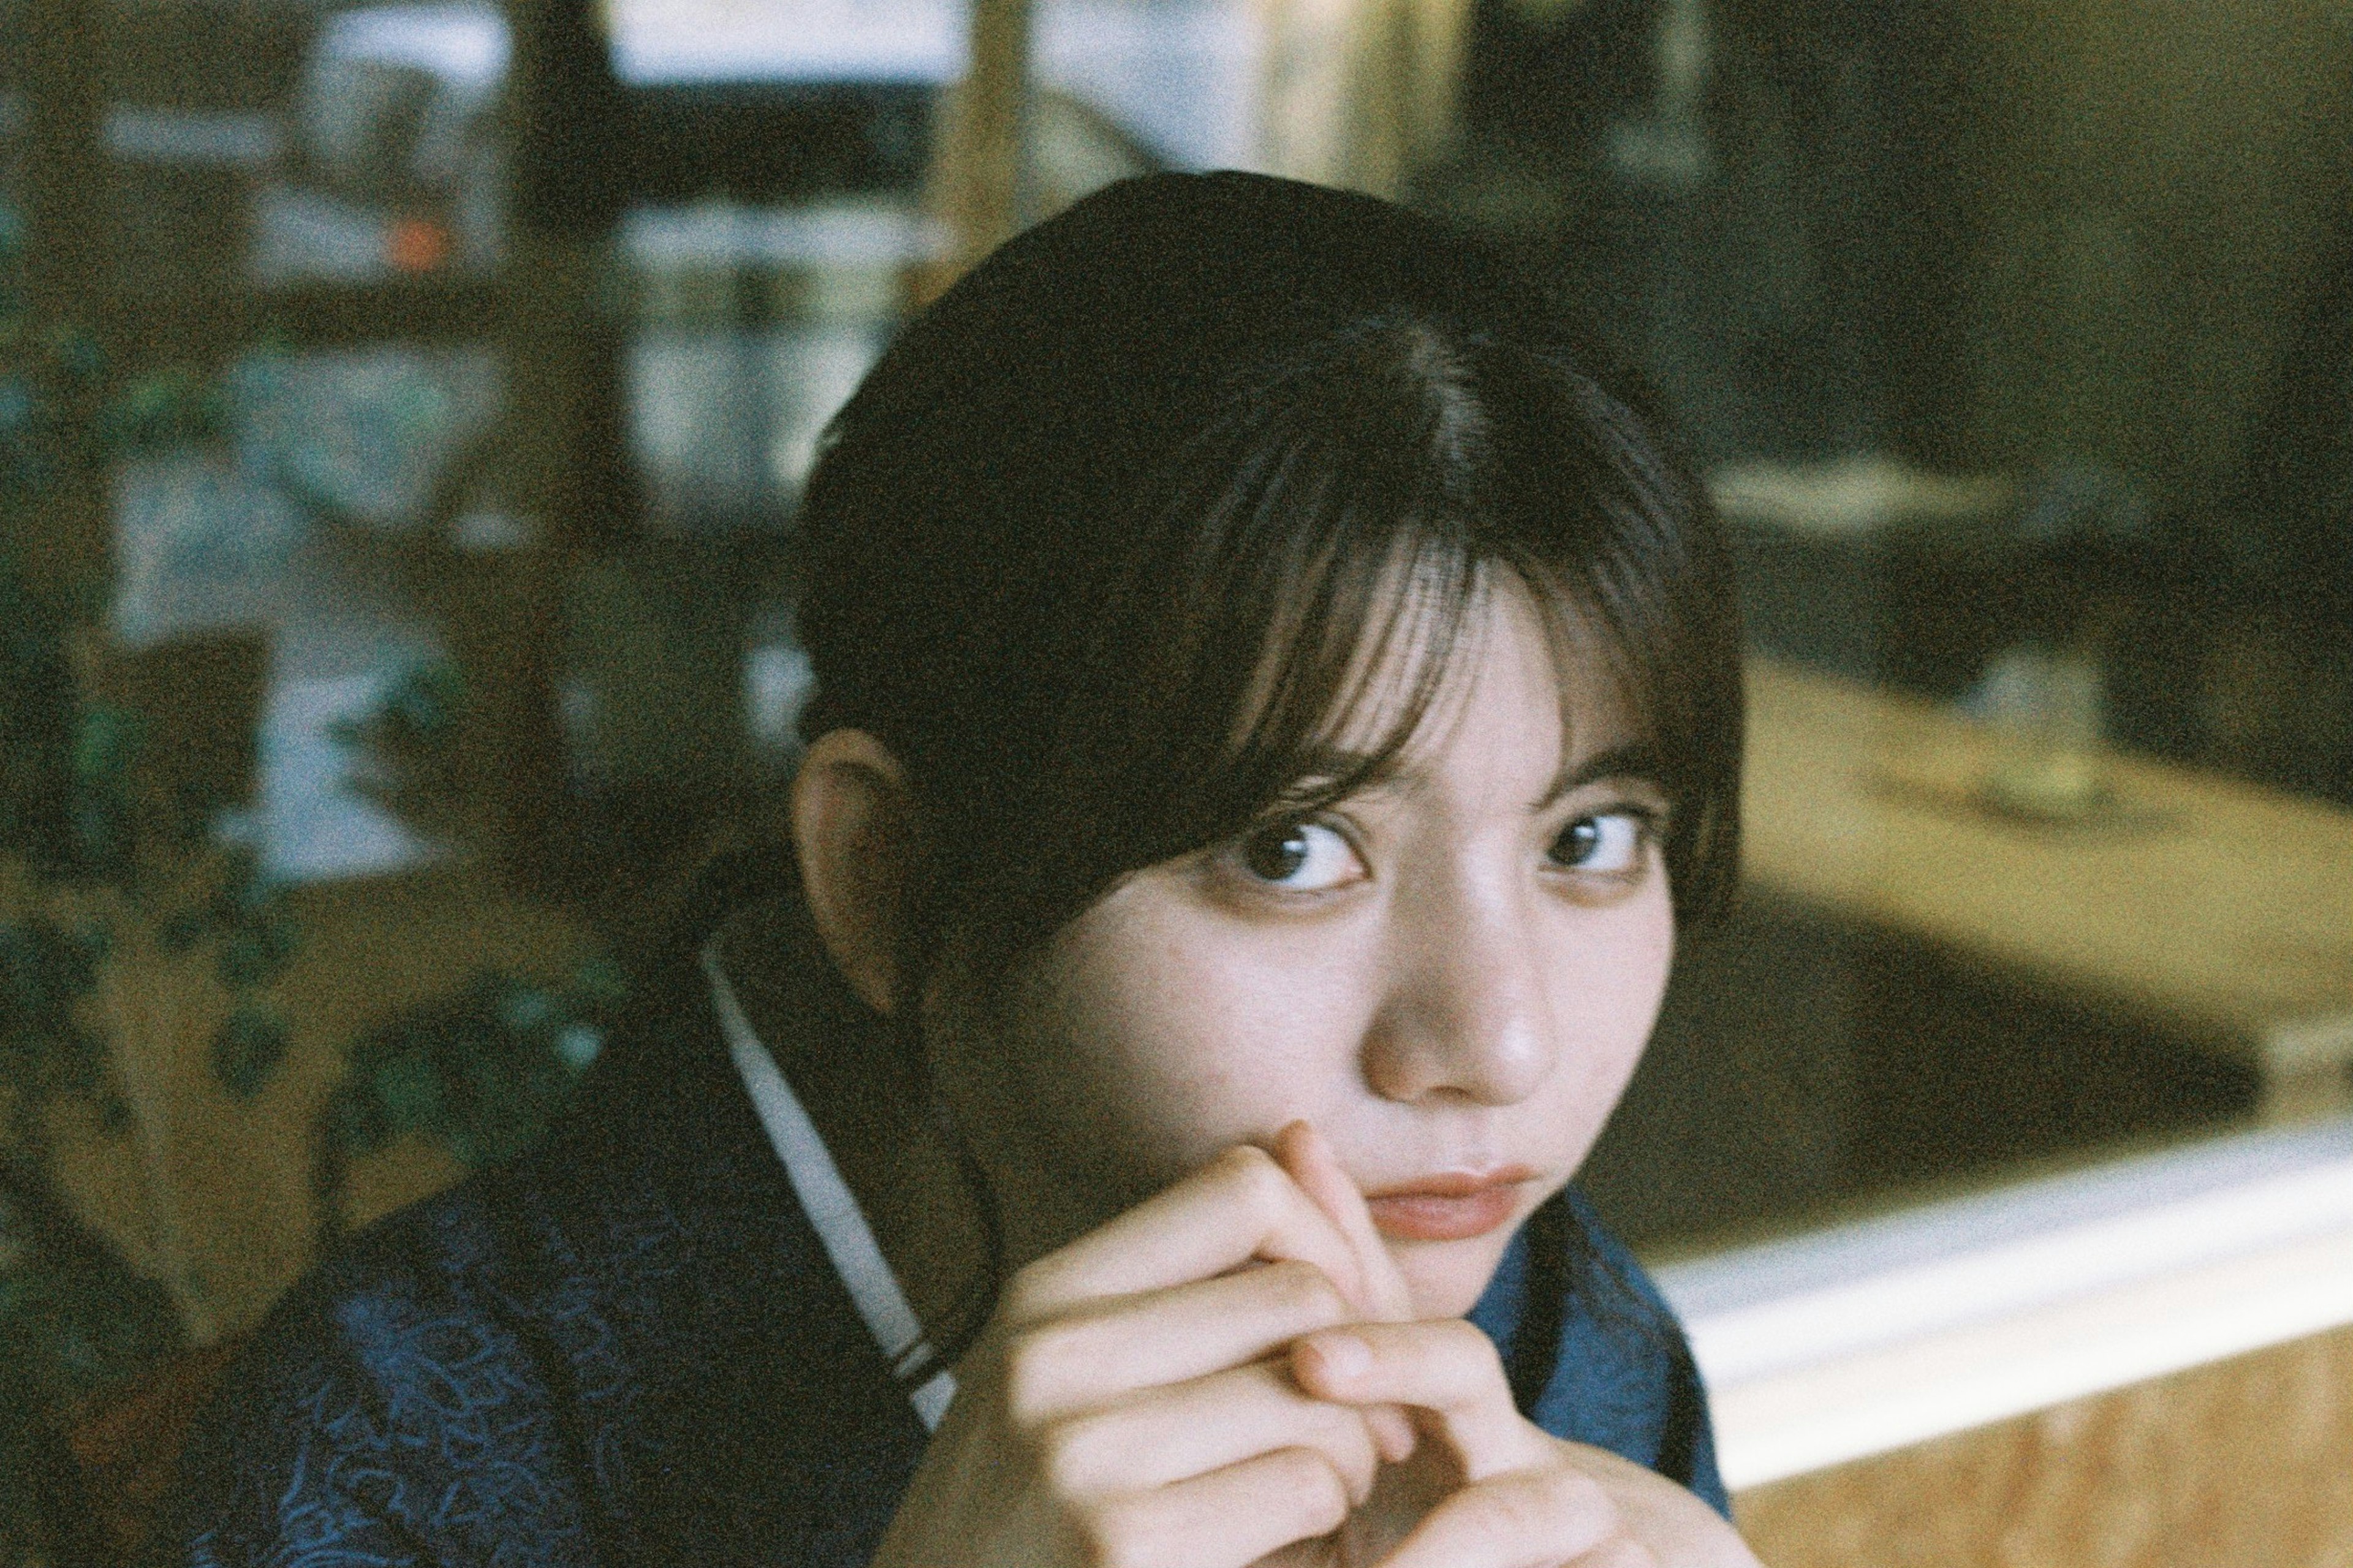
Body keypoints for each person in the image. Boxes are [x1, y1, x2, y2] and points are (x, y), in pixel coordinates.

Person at [161, 172, 1757, 1567]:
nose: (1502, 1044)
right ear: (888, 876)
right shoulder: (399, 1454)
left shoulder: (1556, 1336)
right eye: (1293, 850)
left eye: (1589, 840)